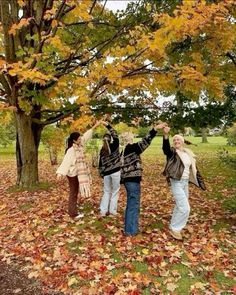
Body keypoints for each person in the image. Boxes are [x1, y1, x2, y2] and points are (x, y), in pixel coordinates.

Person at [161, 125, 206, 240]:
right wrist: (166, 135)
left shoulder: (187, 153)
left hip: (185, 183)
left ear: (182, 142)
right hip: (176, 182)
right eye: (174, 140)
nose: (176, 141)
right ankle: (176, 229)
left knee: (179, 206)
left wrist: (199, 182)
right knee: (185, 208)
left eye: (178, 140)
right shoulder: (172, 153)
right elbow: (165, 148)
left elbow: (193, 169)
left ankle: (173, 225)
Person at [121, 122, 165, 236]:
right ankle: (130, 231)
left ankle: (129, 228)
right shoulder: (132, 148)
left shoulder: (123, 150)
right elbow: (146, 141)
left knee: (131, 204)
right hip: (132, 181)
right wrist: (155, 129)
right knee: (133, 205)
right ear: (129, 139)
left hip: (127, 180)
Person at [56, 121, 101, 218]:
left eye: (80, 138)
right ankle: (73, 213)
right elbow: (66, 163)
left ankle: (73, 209)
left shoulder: (80, 146)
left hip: (76, 173)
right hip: (72, 174)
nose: (81, 139)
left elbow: (86, 135)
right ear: (74, 141)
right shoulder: (71, 150)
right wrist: (60, 173)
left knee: (75, 192)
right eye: (79, 138)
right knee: (73, 192)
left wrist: (95, 125)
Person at [98, 121, 121, 217]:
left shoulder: (102, 149)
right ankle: (112, 211)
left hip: (106, 173)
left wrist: (101, 173)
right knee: (115, 191)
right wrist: (107, 125)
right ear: (110, 139)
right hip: (116, 171)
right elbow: (115, 133)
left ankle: (103, 211)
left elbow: (100, 164)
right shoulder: (115, 145)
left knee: (106, 191)